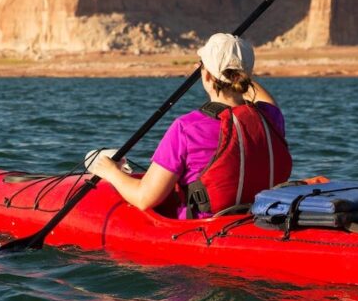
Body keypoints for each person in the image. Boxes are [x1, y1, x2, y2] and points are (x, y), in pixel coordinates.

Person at [90, 33, 291, 218]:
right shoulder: (271, 117)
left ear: (207, 76)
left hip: (203, 228)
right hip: (256, 220)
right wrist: (238, 68)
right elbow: (265, 100)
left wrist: (111, 172)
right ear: (246, 75)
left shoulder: (186, 128)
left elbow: (144, 198)